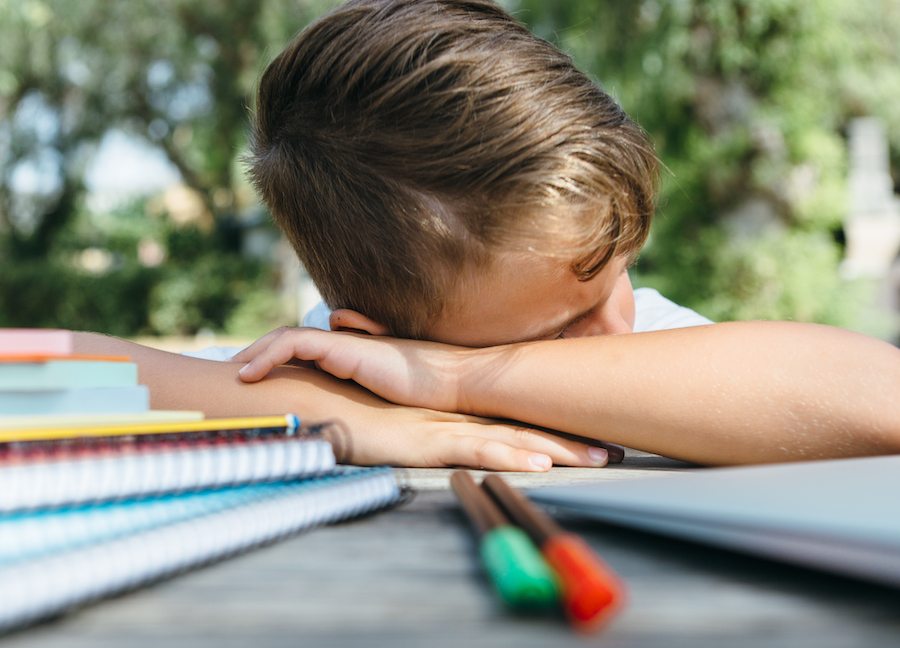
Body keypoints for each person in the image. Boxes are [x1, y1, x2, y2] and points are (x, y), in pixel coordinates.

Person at [230, 0, 900, 465]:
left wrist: (458, 377)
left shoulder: (641, 344)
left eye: (622, 270)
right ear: (374, 343)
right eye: (560, 329)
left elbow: (883, 398)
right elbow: (122, 369)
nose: (618, 329)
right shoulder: (326, 384)